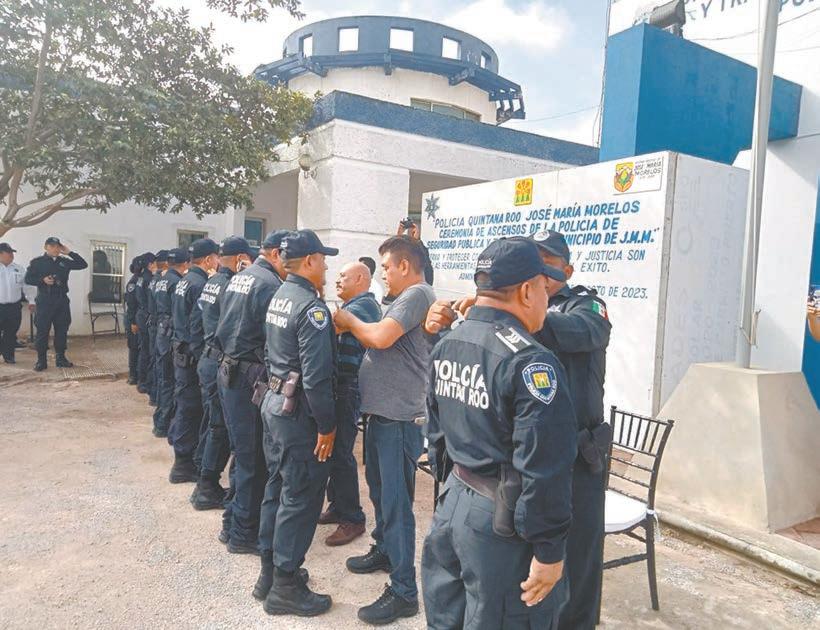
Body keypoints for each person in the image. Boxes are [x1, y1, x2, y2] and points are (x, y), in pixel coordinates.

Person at [424, 230, 612, 630]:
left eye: (549, 265)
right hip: (509, 490)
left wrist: (490, 314)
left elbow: (579, 330)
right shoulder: (526, 358)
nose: (545, 278)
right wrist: (497, 316)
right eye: (537, 268)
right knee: (511, 605)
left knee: (577, 566)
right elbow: (537, 465)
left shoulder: (586, 306)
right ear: (528, 289)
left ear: (567, 271)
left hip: (575, 464)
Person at [333, 235, 436, 625]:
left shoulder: (417, 294)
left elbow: (379, 337)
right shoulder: (403, 298)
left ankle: (404, 591)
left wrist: (348, 320)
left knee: (396, 504)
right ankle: (385, 550)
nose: (385, 275)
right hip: (382, 415)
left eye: (388, 267)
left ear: (405, 266)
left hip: (399, 419)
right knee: (380, 493)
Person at [255, 229, 338, 617]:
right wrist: (327, 426)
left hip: (274, 404)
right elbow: (317, 379)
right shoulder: (312, 309)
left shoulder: (280, 295)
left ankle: (270, 574)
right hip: (298, 414)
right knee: (300, 495)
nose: (326, 268)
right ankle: (285, 586)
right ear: (309, 261)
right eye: (323, 260)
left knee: (276, 487)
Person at [214, 230, 288, 554]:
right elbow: (274, 339)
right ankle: (243, 533)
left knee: (241, 453)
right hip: (249, 376)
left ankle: (232, 522)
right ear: (275, 254)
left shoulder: (239, 278)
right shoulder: (270, 284)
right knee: (253, 459)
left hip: (229, 371)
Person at [190, 236, 256, 510]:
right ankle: (206, 486)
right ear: (241, 258)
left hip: (208, 356)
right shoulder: (231, 284)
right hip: (219, 359)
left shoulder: (213, 281)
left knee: (213, 423)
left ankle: (204, 480)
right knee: (220, 427)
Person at [317, 262, 381, 546]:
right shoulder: (353, 306)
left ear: (360, 279)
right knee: (333, 452)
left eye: (344, 276)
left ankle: (353, 518)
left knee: (341, 452)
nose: (337, 280)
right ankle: (338, 504)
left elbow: (329, 327)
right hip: (340, 385)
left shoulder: (364, 305)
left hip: (348, 387)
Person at [167, 239, 219, 484]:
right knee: (191, 409)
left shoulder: (185, 280)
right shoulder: (200, 284)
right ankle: (183, 464)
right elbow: (198, 326)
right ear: (208, 260)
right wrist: (202, 360)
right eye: (216, 257)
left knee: (185, 405)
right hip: (190, 354)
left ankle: (184, 459)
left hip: (180, 349)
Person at [24, 237, 88, 371]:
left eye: (58, 246)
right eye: (52, 246)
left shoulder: (64, 261)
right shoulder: (37, 262)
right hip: (45, 300)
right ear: (46, 247)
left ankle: (61, 358)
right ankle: (41, 360)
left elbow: (83, 264)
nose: (55, 249)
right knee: (42, 331)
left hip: (61, 300)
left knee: (62, 330)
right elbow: (28, 279)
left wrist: (69, 252)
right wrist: (42, 280)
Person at [152, 248, 188, 438]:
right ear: (185, 263)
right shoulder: (176, 282)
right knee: (170, 380)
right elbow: (179, 311)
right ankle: (164, 423)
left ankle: (159, 420)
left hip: (160, 329)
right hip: (170, 331)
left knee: (163, 378)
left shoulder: (161, 279)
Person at [0, 243, 34, 364]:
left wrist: (31, 301)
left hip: (14, 306)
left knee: (11, 331)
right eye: (8, 253)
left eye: (12, 253)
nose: (11, 255)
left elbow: (27, 286)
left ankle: (9, 356)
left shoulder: (19, 269)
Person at [147, 250, 169, 407]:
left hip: (155, 322)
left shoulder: (156, 279)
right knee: (160, 364)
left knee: (155, 360)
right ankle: (155, 396)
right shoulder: (164, 280)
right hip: (160, 324)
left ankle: (153, 395)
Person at [134, 252, 156, 396]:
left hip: (141, 314)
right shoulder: (149, 279)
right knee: (147, 351)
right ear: (150, 264)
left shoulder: (141, 277)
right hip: (146, 315)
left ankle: (141, 380)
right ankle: (145, 382)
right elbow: (151, 301)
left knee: (143, 350)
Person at [124, 256, 143, 385]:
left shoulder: (139, 280)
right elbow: (131, 305)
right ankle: (133, 375)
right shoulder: (134, 282)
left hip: (136, 318)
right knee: (134, 347)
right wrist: (133, 323)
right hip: (133, 319)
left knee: (137, 348)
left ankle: (136, 374)